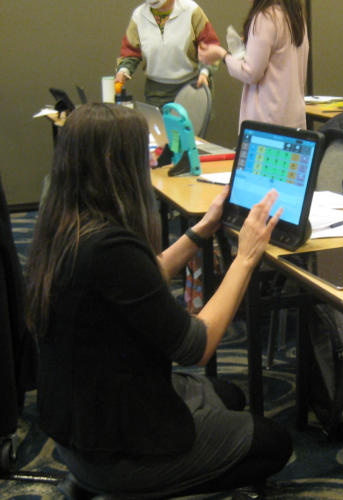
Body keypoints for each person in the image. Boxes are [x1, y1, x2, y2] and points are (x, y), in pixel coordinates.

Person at [25, 103, 292, 498]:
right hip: (115, 454)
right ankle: (139, 486)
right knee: (274, 443)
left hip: (79, 432)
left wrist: (203, 228)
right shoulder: (110, 248)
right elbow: (197, 347)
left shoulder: (66, 226)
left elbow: (142, 280)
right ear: (119, 165)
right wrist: (245, 257)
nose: (150, 163)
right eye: (142, 155)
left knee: (230, 397)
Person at [199, 0, 308, 129]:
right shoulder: (295, 16)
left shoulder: (266, 17)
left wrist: (222, 55)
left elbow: (250, 73)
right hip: (293, 118)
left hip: (267, 122)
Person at [115, 0, 221, 109]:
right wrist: (123, 71)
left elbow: (210, 45)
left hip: (191, 86)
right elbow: (130, 49)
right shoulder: (139, 15)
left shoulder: (191, 10)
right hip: (157, 93)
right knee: (159, 126)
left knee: (188, 125)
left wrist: (205, 72)